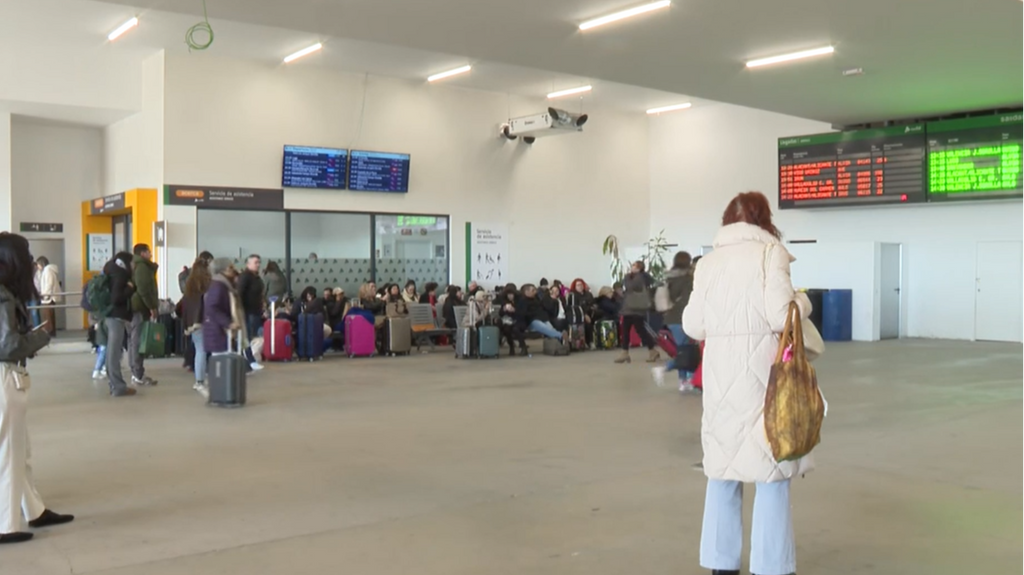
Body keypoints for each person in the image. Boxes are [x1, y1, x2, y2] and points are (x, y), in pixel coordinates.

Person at [683, 191, 813, 575]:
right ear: (764, 219)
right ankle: (771, 567)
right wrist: (803, 302)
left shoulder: (707, 263)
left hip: (721, 382)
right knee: (770, 474)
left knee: (722, 472)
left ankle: (721, 565)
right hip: (764, 381)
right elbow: (781, 313)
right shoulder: (770, 254)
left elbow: (693, 325)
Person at [0, 232, 75, 544]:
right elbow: (8, 345)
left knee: (20, 449)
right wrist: (42, 336)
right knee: (10, 454)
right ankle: (6, 524)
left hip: (7, 378)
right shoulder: (3, 296)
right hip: (5, 379)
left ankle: (34, 509)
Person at [653, 251, 697, 392]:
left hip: (671, 318)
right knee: (687, 351)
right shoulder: (688, 279)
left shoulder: (669, 277)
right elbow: (687, 300)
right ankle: (665, 368)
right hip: (683, 317)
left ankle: (683, 381)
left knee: (682, 350)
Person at [103, 252, 137, 397]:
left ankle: (115, 384)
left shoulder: (111, 270)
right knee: (114, 353)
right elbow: (116, 298)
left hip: (111, 316)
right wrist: (130, 288)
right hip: (116, 316)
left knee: (112, 352)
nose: (134, 265)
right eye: (132, 262)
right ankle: (118, 387)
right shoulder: (120, 275)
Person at [204, 258, 248, 367]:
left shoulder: (223, 284)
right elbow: (212, 308)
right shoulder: (219, 286)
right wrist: (228, 323)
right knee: (222, 367)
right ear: (223, 270)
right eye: (230, 267)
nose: (234, 270)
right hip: (219, 332)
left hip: (220, 332)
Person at [615, 261, 659, 364]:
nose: (632, 267)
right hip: (629, 307)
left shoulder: (641, 277)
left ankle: (652, 350)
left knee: (641, 330)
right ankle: (624, 352)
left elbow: (631, 286)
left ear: (640, 268)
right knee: (625, 330)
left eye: (634, 266)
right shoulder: (632, 276)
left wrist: (626, 278)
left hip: (637, 308)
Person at [128, 244, 159, 386]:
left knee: (133, 341)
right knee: (137, 341)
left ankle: (135, 372)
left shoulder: (135, 265)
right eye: (149, 252)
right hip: (140, 308)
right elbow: (144, 290)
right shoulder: (142, 268)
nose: (151, 254)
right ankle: (138, 374)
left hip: (135, 308)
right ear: (142, 253)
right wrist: (151, 306)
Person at [181, 260, 211, 398]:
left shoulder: (189, 286)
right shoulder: (208, 285)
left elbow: (184, 304)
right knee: (208, 350)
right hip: (206, 321)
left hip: (192, 323)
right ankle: (207, 377)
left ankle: (199, 380)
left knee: (200, 350)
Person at [497, 286, 528, 356]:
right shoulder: (505, 302)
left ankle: (523, 347)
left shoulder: (521, 301)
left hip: (520, 321)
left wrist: (514, 310)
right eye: (508, 295)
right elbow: (500, 314)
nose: (510, 296)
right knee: (506, 329)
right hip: (509, 321)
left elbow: (523, 314)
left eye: (511, 294)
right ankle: (511, 346)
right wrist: (504, 309)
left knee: (515, 329)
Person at [34, 257, 60, 337]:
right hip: (49, 296)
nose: (37, 266)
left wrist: (45, 295)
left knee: (47, 316)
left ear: (41, 263)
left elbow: (49, 284)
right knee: (49, 315)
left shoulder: (47, 270)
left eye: (38, 264)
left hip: (48, 297)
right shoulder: (48, 270)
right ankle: (51, 332)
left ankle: (49, 332)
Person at [566, 278, 595, 346]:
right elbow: (574, 308)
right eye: (578, 285)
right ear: (574, 286)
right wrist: (584, 315)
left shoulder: (588, 294)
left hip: (590, 312)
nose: (580, 286)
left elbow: (593, 303)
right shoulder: (572, 296)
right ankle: (589, 342)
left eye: (581, 284)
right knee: (587, 324)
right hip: (579, 315)